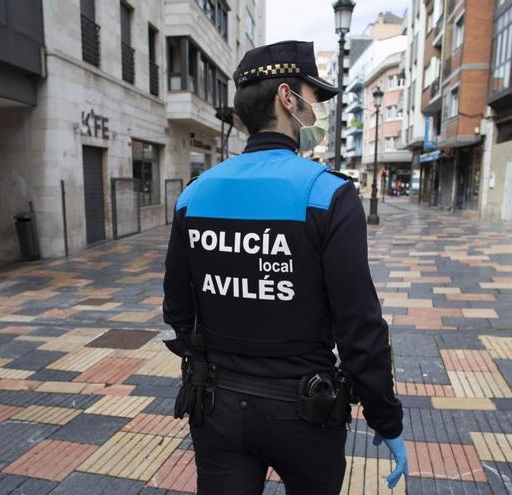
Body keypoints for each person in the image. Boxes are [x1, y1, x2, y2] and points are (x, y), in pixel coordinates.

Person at [162, 40, 408, 495]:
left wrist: (209, 363)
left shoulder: (194, 195)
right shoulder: (328, 194)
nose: (317, 110)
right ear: (286, 98)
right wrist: (385, 416)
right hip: (305, 415)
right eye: (313, 97)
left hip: (216, 408)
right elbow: (360, 327)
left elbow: (178, 309)